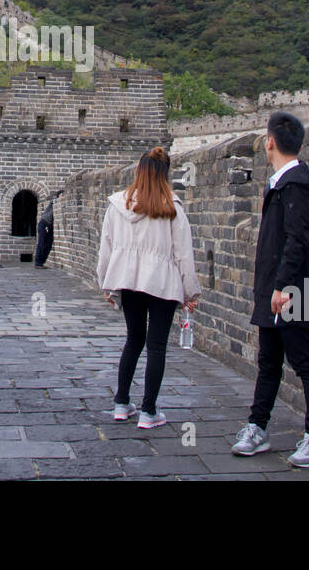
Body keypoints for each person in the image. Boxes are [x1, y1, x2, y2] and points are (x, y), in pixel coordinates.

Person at [232, 111, 309, 467]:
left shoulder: (297, 185)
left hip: (290, 290)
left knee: (303, 361)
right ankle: (257, 428)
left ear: (270, 142)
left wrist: (284, 287)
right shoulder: (281, 183)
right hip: (273, 288)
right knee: (269, 362)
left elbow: (297, 241)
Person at [97, 146, 201, 429]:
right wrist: (190, 292)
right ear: (165, 175)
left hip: (128, 281)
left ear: (138, 172)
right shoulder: (172, 208)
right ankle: (148, 411)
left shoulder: (117, 205)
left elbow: (105, 247)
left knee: (133, 340)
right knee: (156, 346)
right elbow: (183, 254)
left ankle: (121, 404)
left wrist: (106, 284)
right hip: (161, 283)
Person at [34, 196, 56, 268]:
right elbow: (53, 199)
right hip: (44, 223)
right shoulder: (53, 201)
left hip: (50, 226)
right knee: (41, 243)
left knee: (49, 244)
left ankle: (41, 262)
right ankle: (38, 263)